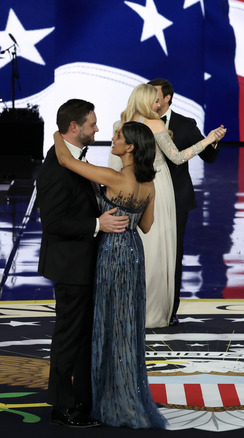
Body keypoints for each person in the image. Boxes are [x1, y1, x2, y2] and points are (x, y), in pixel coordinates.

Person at [53, 122, 166, 428]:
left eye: (118, 137)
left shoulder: (114, 177)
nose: (113, 139)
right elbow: (145, 226)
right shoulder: (149, 183)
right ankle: (127, 393)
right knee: (126, 326)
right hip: (133, 252)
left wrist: (55, 133)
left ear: (130, 147)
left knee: (107, 323)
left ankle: (107, 397)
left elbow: (65, 160)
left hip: (111, 253)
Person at [38, 99, 128, 428]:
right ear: (74, 128)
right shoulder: (56, 168)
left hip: (83, 263)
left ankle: (81, 399)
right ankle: (62, 407)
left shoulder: (73, 159)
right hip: (70, 266)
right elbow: (53, 221)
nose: (98, 129)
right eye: (92, 124)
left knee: (82, 336)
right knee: (69, 336)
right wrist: (96, 225)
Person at [111, 83, 226, 328]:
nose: (158, 105)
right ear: (145, 100)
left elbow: (114, 166)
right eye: (154, 100)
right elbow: (177, 157)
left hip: (129, 193)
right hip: (159, 191)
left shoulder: (121, 126)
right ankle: (153, 311)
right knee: (157, 252)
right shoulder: (156, 124)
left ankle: (129, 310)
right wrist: (208, 140)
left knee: (131, 250)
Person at [147, 78, 221, 326]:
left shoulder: (185, 124)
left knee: (172, 254)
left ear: (167, 98)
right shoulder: (141, 122)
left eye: (155, 95)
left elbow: (209, 156)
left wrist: (213, 140)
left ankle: (169, 309)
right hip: (146, 198)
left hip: (177, 199)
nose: (151, 100)